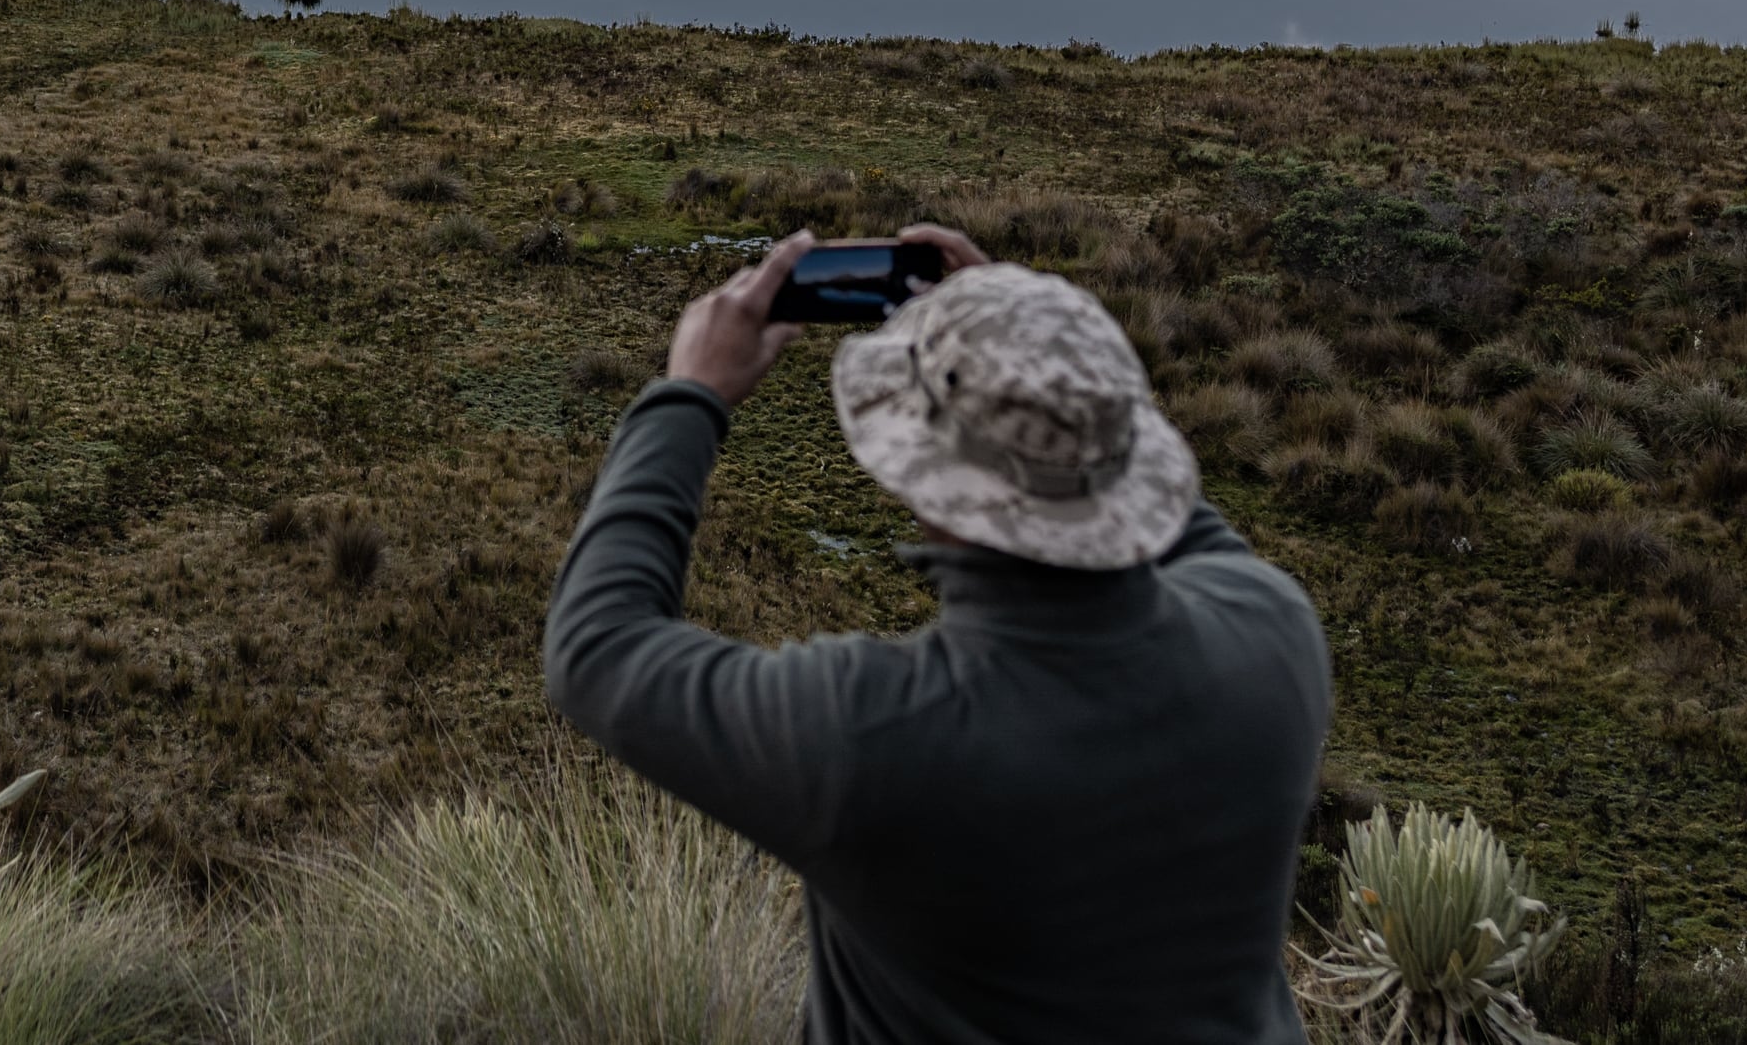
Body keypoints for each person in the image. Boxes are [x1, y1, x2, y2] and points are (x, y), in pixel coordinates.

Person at [545, 224, 1332, 1045]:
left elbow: (597, 644)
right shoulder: (1275, 640)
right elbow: (1164, 520)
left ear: (931, 486)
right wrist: (1048, 356)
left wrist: (689, 395)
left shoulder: (879, 737)